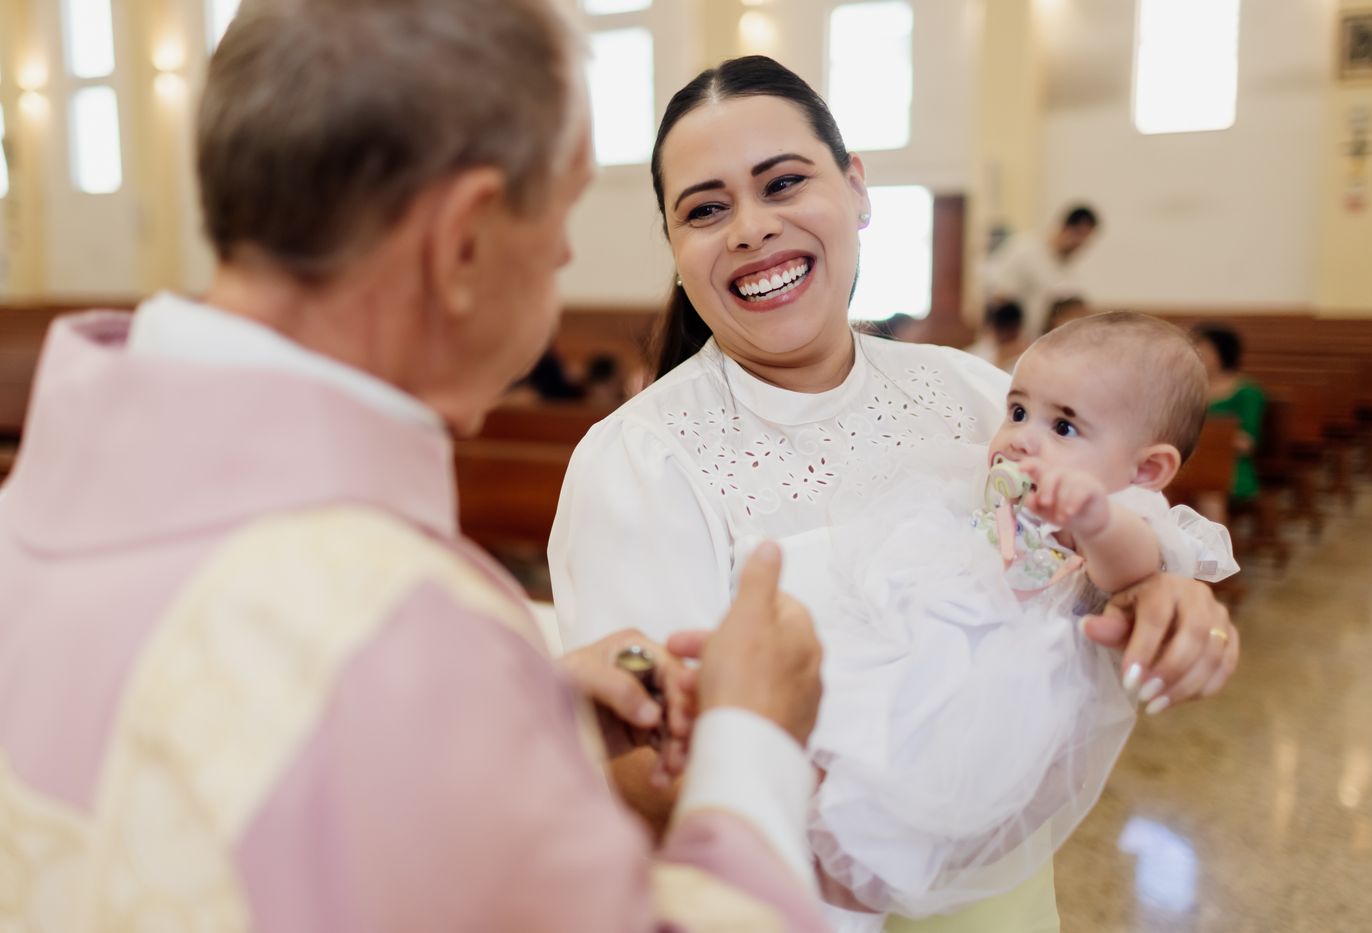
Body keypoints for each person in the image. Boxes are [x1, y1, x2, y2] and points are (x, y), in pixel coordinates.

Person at [0, 4, 832, 929]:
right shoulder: (400, 635)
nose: (564, 254)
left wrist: (527, 709)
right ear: (464, 242)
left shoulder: (43, 498)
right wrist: (753, 740)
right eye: (562, 211)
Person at [548, 56, 1239, 932]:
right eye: (706, 209)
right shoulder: (639, 460)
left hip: (1005, 899)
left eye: (783, 183)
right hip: (790, 903)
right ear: (677, 251)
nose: (751, 228)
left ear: (856, 189)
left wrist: (1170, 598)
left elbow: (1088, 559)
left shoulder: (980, 395)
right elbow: (642, 766)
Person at [807, 311, 1239, 930]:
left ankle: (861, 888)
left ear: (1145, 471)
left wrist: (1095, 519)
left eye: (1063, 426)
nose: (1020, 438)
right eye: (1017, 411)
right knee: (856, 732)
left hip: (1012, 682)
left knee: (928, 800)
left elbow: (1133, 568)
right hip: (941, 637)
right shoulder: (1004, 490)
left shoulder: (1122, 515)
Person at [981, 206, 1099, 338]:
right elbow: (1000, 299)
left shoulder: (1069, 265)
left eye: (1086, 239)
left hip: (1042, 341)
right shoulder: (1024, 251)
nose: (1080, 244)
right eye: (1079, 235)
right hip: (1014, 341)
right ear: (1065, 228)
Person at [1192, 323, 1269, 523]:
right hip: (1192, 461)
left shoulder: (1247, 392)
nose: (1197, 356)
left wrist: (1210, 436)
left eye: (1203, 351)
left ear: (1222, 353)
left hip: (1231, 466)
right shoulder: (1191, 388)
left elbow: (1247, 443)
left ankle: (1215, 543)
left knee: (1209, 491)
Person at [964, 300, 1029, 372]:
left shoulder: (1027, 354)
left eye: (1011, 330)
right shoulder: (974, 355)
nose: (1007, 335)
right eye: (1004, 331)